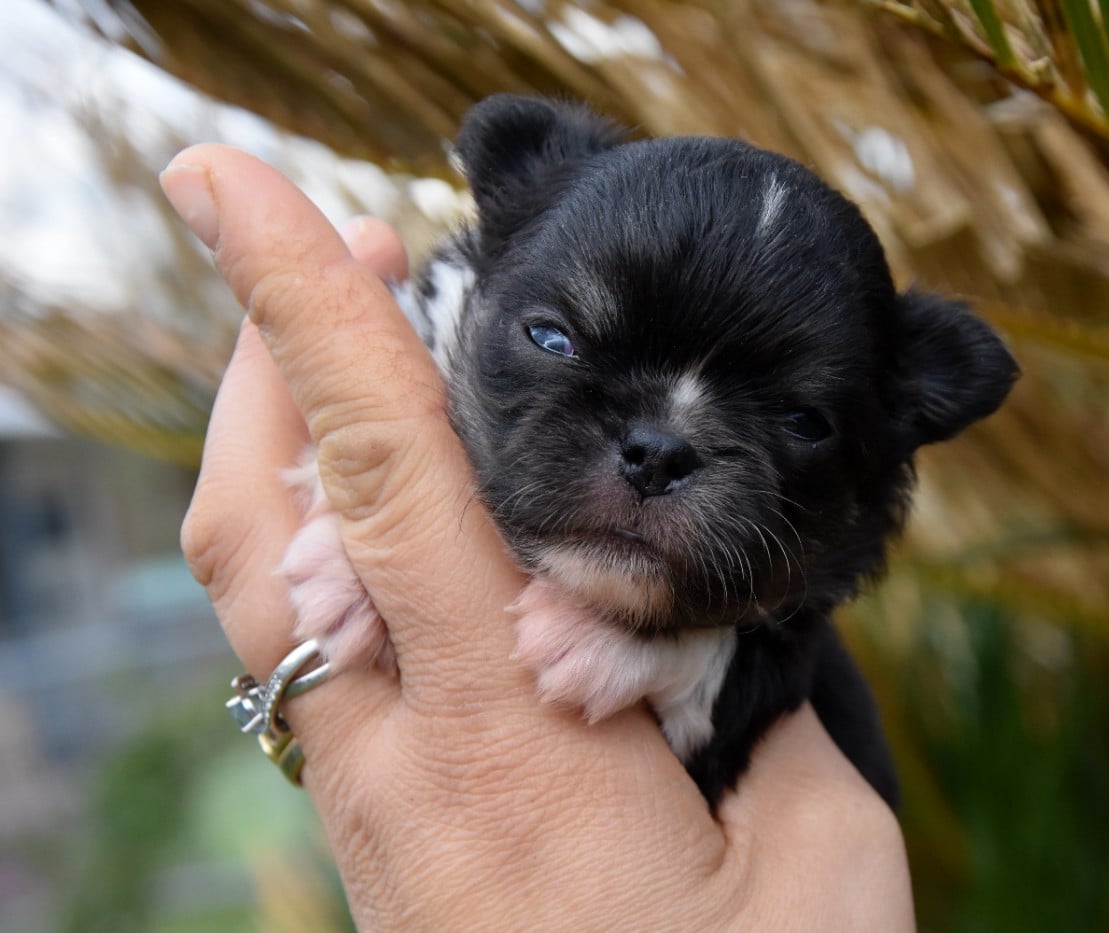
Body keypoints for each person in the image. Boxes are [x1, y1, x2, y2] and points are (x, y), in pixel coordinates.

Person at [160, 144, 915, 929]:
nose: (658, 453)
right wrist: (346, 505)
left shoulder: (781, 661)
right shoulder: (428, 335)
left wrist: (682, 660)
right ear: (477, 277)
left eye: (799, 421)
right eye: (557, 338)